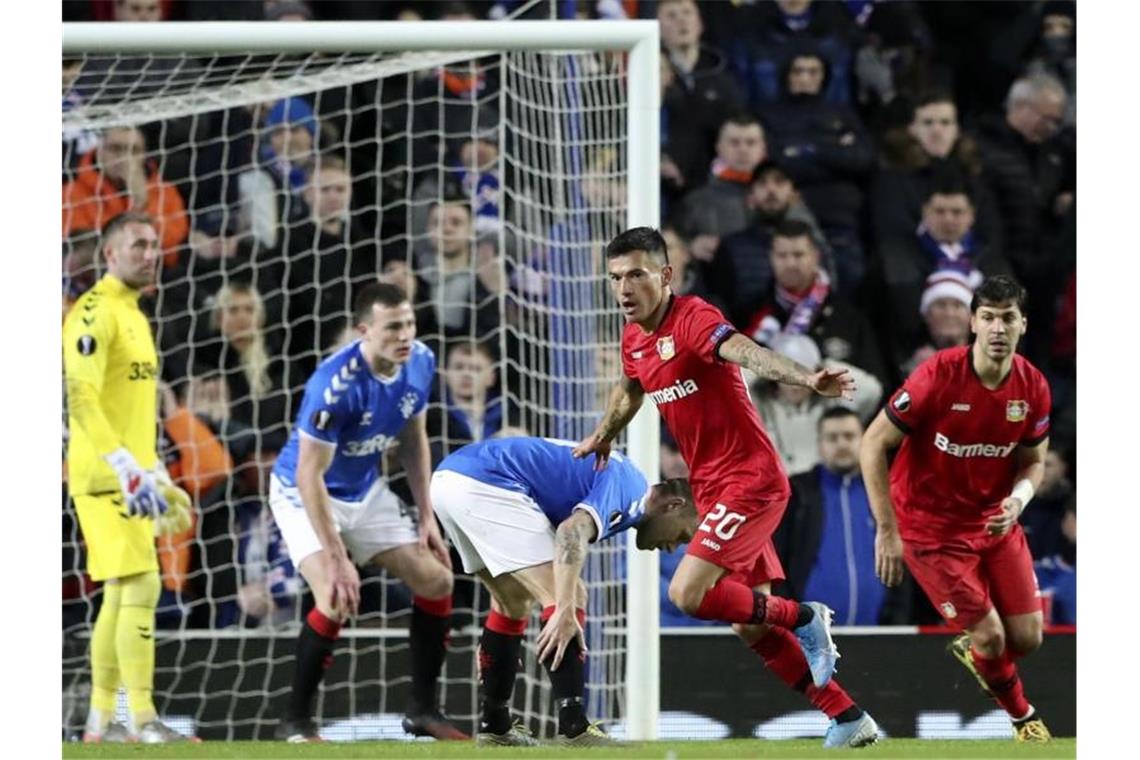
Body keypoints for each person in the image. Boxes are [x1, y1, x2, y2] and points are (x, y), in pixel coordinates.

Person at [574, 227, 880, 748]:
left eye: (637, 275)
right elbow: (630, 388)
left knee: (687, 593)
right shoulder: (634, 338)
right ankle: (847, 717)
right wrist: (604, 434)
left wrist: (806, 378)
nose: (624, 289)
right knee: (749, 623)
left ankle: (806, 617)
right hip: (713, 488)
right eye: (616, 278)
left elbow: (747, 351)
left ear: (666, 276)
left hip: (751, 479)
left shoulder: (694, 318)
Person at [267, 282, 466, 742]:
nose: (405, 335)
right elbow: (307, 476)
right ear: (364, 331)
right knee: (335, 597)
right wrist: (338, 557)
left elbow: (414, 440)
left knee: (437, 579)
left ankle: (423, 712)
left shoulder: (420, 361)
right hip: (305, 494)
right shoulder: (333, 386)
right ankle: (294, 724)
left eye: (409, 324)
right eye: (393, 327)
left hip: (363, 489)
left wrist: (426, 515)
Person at [859, 275, 1053, 743]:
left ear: (1023, 324)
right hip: (930, 531)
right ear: (973, 323)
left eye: (1008, 318)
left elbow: (1034, 462)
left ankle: (980, 652)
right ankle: (1024, 720)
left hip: (993, 523)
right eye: (988, 318)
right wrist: (887, 530)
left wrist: (1018, 500)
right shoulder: (937, 377)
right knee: (992, 637)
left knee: (1026, 638)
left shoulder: (1033, 387)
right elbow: (872, 444)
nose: (998, 328)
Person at [431, 436, 699, 746]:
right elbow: (570, 530)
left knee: (511, 602)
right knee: (569, 596)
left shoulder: (627, 492)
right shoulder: (632, 489)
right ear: (674, 505)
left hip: (450, 479)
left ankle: (495, 727)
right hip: (486, 482)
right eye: (683, 535)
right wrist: (565, 608)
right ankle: (574, 728)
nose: (672, 547)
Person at [63, 212, 194, 743]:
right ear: (110, 253)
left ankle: (100, 721)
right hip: (104, 475)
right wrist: (123, 466)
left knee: (121, 592)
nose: (150, 252)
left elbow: (130, 406)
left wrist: (154, 467)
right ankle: (142, 718)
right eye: (138, 244)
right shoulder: (92, 312)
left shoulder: (135, 313)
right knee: (142, 583)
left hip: (135, 474)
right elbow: (81, 396)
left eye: (153, 244)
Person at [776, 408, 911, 625]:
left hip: (879, 636)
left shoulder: (886, 492)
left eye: (849, 436)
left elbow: (903, 561)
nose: (841, 444)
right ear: (820, 444)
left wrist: (898, 619)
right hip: (810, 639)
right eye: (832, 438)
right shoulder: (797, 492)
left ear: (865, 440)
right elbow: (776, 561)